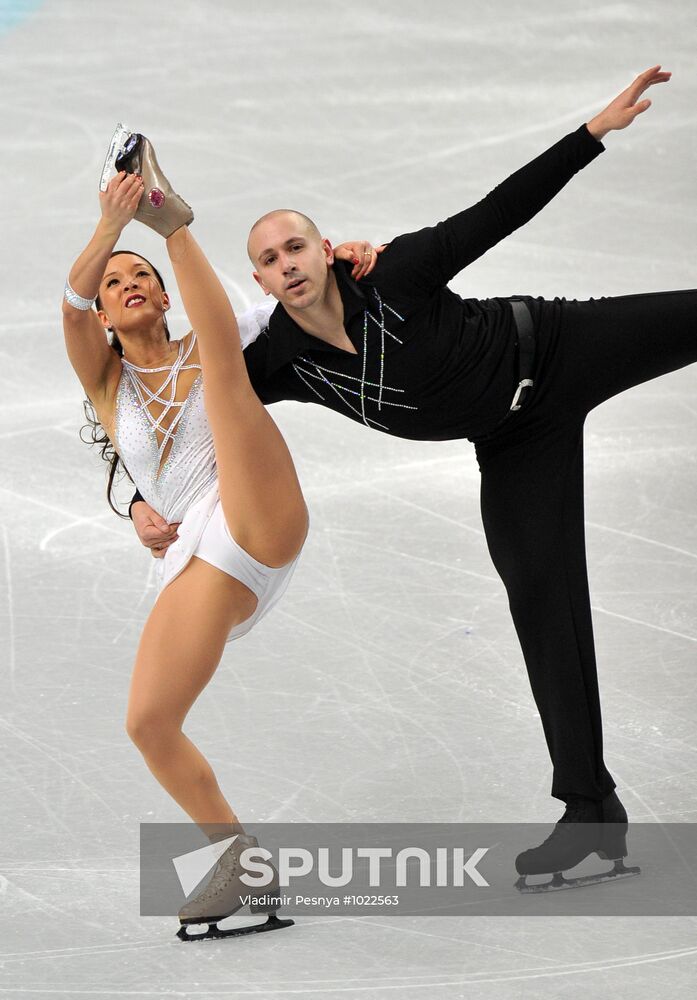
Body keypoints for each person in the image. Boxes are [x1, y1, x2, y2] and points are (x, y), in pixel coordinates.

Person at [127, 65, 683, 891]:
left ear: (326, 249)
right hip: (512, 439)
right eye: (269, 259)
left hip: (560, 344)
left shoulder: (397, 273)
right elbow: (183, 404)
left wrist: (591, 133)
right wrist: (137, 497)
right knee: (539, 596)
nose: (286, 264)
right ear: (260, 281)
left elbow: (498, 211)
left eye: (296, 246)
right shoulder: (281, 358)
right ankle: (591, 817)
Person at [63, 132, 378, 938]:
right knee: (147, 722)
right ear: (104, 313)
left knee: (224, 375)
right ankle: (240, 859)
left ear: (167, 297)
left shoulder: (218, 330)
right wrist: (109, 225)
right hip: (201, 554)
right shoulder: (104, 380)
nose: (128, 286)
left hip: (260, 511)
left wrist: (349, 255)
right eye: (116, 284)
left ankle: (178, 224)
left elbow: (307, 295)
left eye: (143, 277)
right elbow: (67, 306)